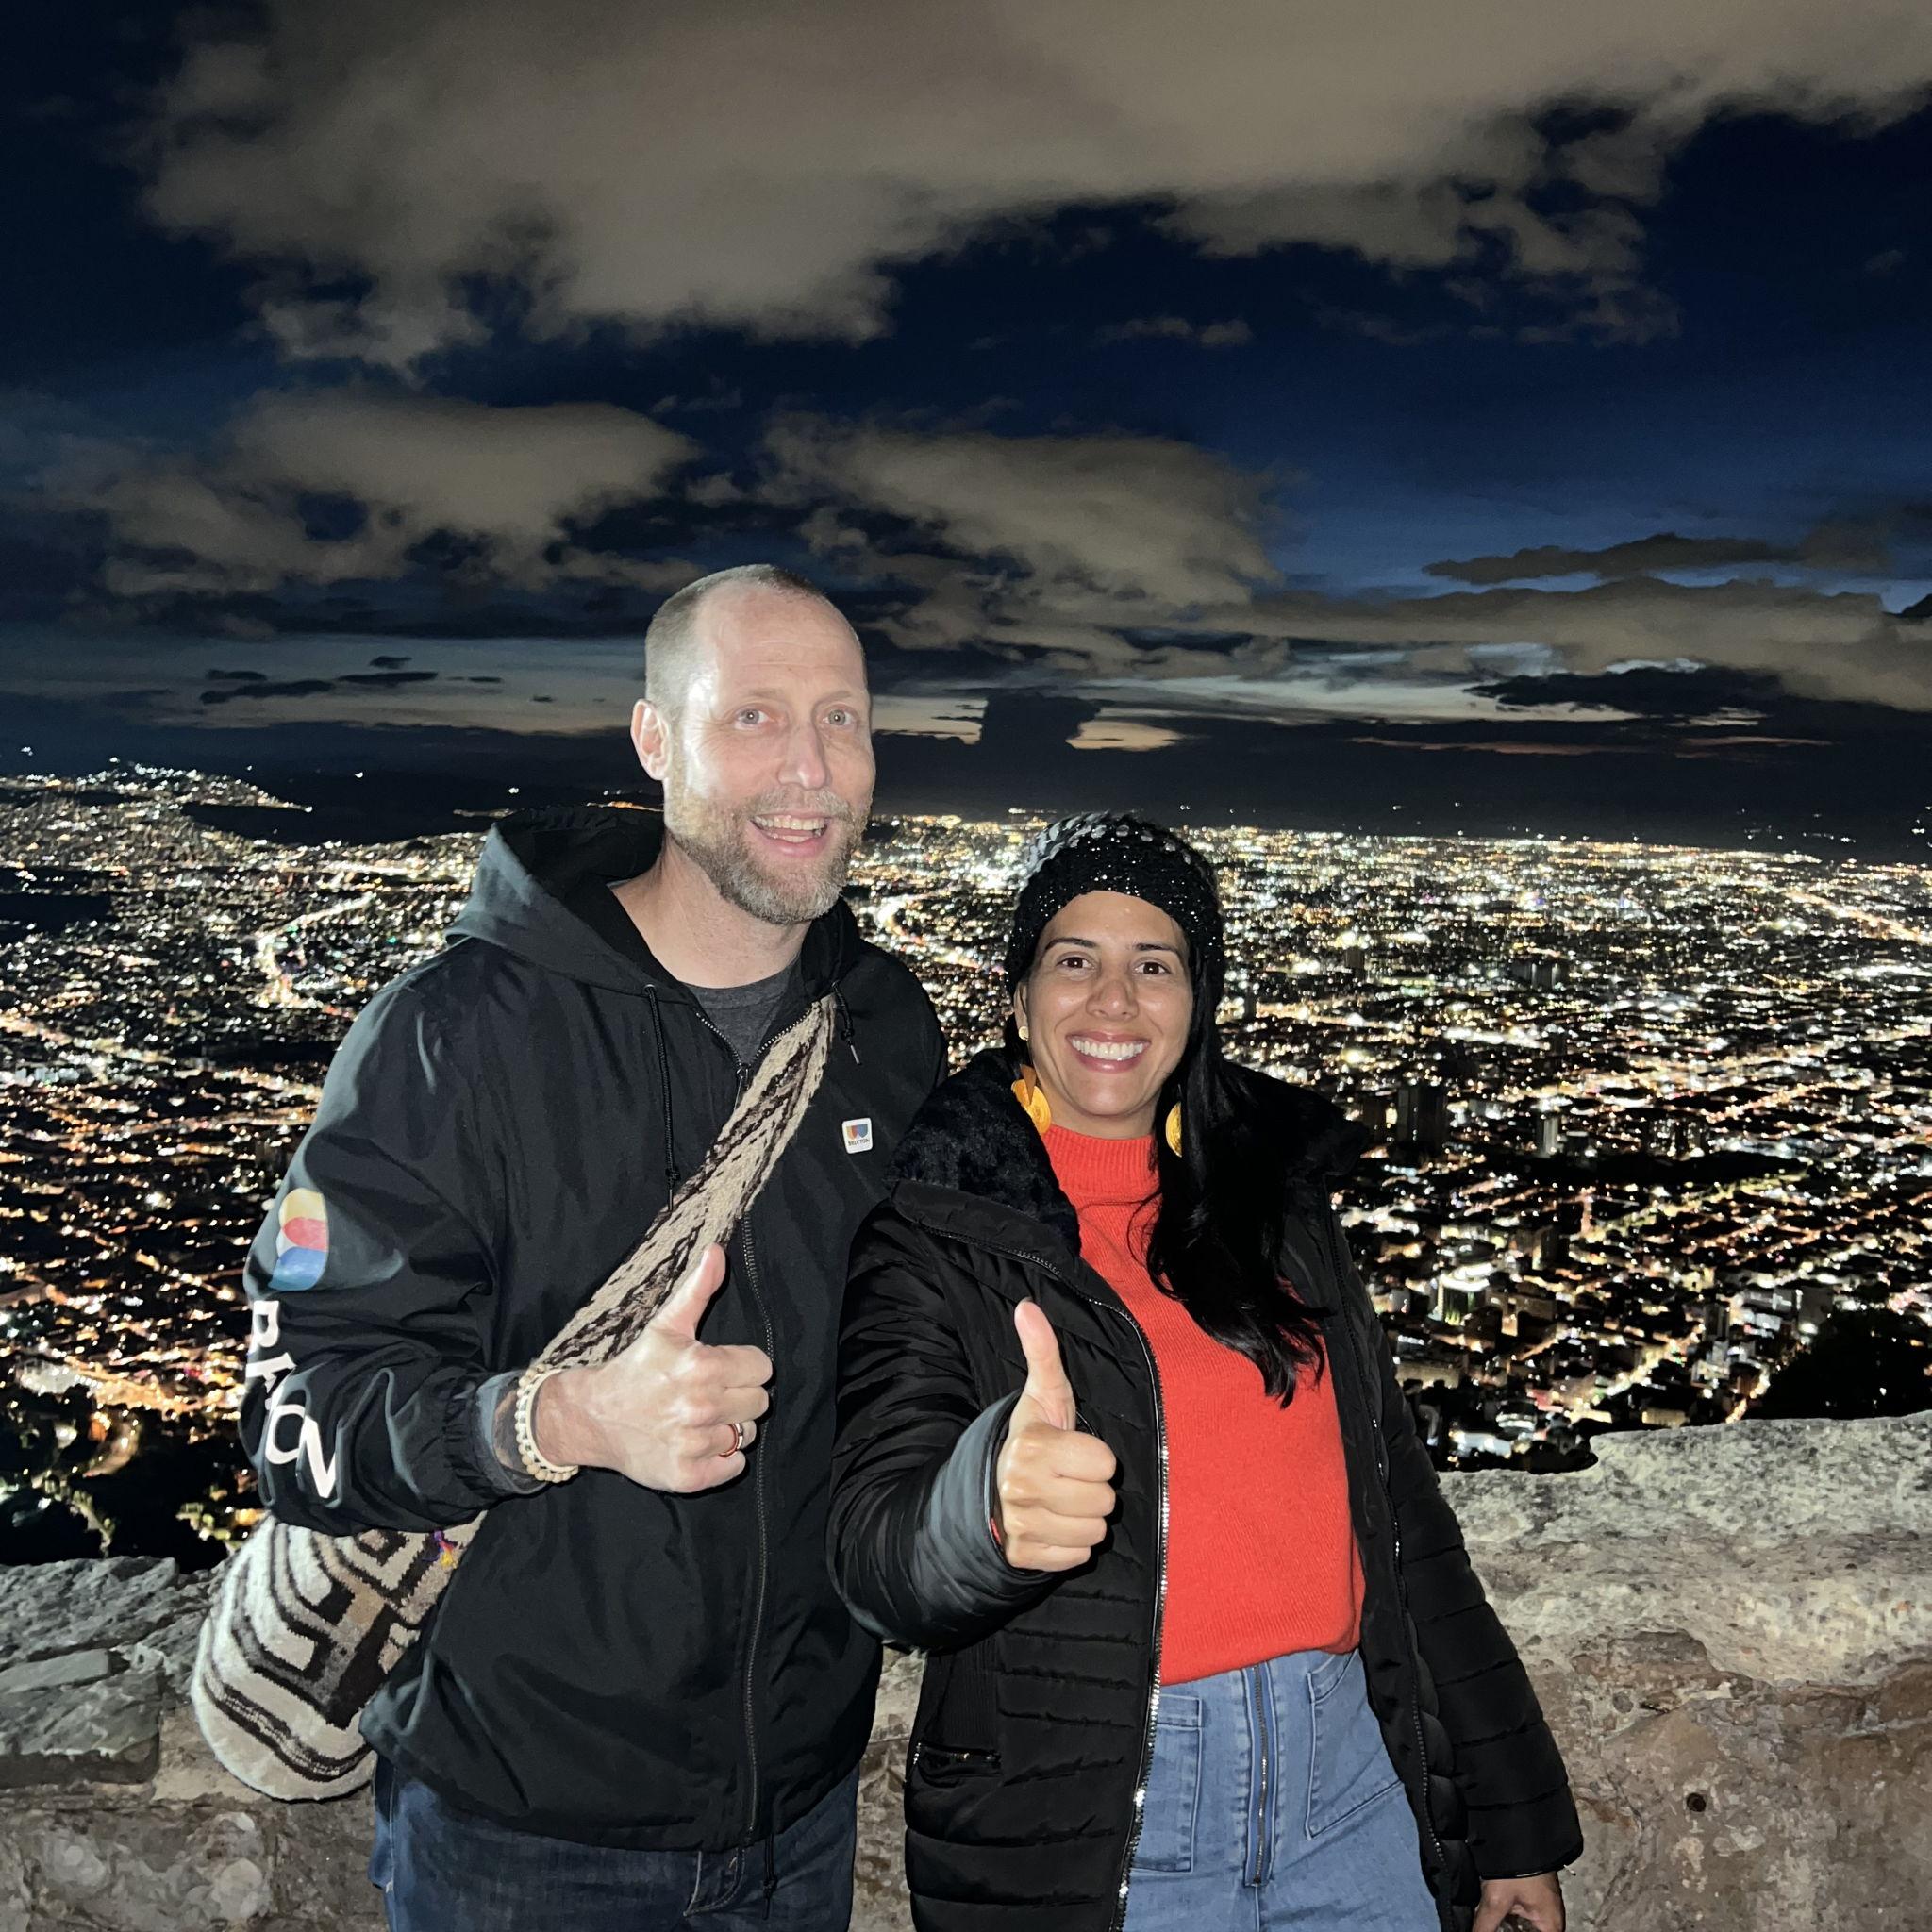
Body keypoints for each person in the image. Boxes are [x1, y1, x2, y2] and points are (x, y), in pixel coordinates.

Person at [237, 564, 945, 1930]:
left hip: (802, 1811)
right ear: (654, 740)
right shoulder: (461, 1035)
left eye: (843, 719)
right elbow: (290, 1411)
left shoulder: (880, 1031)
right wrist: (554, 1418)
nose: (811, 767)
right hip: (521, 1835)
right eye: (753, 717)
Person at [829, 812, 1581, 1932]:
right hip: (1101, 1824)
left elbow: (1404, 1526)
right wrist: (978, 1513)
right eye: (1073, 959)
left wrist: (1511, 1825)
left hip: (1350, 1789)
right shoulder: (939, 1229)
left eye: (1154, 965)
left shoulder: (1272, 1210)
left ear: (1199, 1000)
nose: (1113, 1002)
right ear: (1017, 994)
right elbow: (870, 1542)